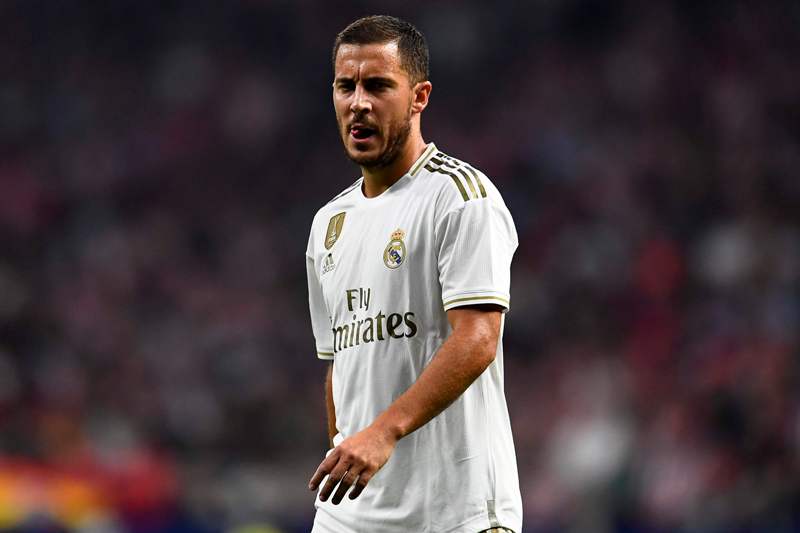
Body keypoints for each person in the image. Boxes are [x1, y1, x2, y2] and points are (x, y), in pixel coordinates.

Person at [305, 15, 522, 533]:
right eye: (345, 86)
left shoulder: (461, 199)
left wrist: (382, 434)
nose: (358, 102)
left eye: (378, 85)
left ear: (419, 95)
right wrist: (349, 445)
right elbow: (339, 363)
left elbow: (477, 338)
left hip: (453, 511)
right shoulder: (327, 225)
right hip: (350, 515)